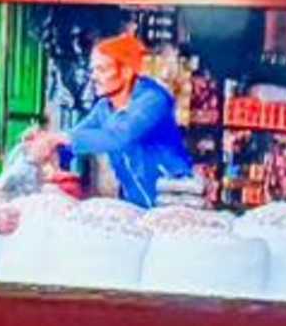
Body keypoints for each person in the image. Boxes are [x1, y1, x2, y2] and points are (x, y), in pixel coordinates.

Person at [22, 29, 200, 208]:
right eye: (93, 70)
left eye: (101, 69)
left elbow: (120, 136)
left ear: (126, 72)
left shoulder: (153, 99)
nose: (93, 77)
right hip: (138, 205)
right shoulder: (104, 108)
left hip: (176, 199)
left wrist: (57, 138)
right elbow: (75, 138)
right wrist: (47, 146)